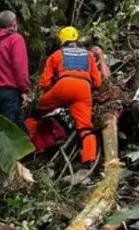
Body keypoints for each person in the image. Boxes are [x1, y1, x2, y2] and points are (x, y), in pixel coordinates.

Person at [37, 26, 102, 167]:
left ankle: (32, 146)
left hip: (63, 85)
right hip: (84, 89)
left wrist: (51, 93)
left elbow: (44, 83)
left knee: (37, 112)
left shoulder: (56, 55)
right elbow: (97, 82)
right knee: (85, 127)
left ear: (62, 40)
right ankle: (89, 160)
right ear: (76, 39)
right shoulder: (89, 55)